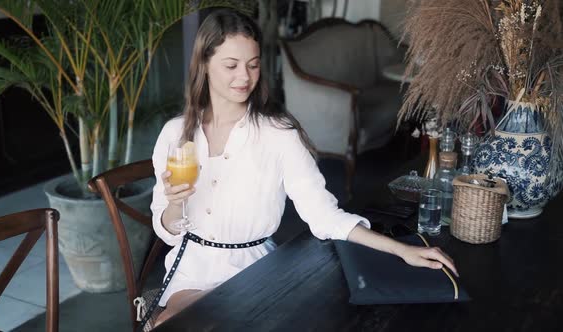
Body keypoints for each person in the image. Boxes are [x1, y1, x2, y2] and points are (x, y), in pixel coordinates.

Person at [150, 8, 458, 327]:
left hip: (252, 271)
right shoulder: (175, 135)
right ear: (204, 64)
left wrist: (400, 250)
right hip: (190, 270)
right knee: (175, 323)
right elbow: (167, 231)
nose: (244, 77)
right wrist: (174, 205)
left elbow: (324, 216)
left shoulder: (278, 134)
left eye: (253, 65)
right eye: (231, 65)